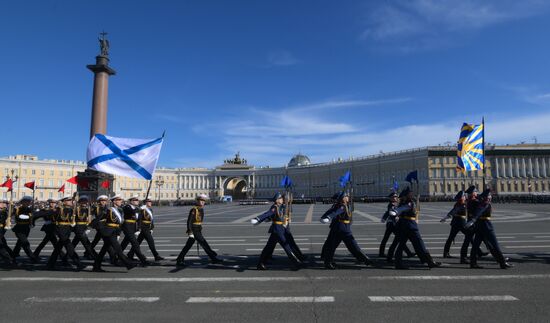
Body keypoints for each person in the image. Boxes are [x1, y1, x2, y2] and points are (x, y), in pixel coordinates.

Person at [320, 191, 372, 270]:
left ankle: (364, 259)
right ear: (342, 198)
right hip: (341, 229)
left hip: (343, 228)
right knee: (348, 245)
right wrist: (327, 217)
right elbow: (334, 212)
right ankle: (365, 259)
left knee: (344, 246)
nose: (348, 197)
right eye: (346, 196)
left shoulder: (346, 205)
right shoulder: (341, 206)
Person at [393, 187, 441, 270]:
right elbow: (403, 209)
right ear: (407, 195)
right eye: (410, 193)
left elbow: (407, 210)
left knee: (402, 245)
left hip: (405, 226)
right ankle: (430, 262)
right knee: (419, 243)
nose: (411, 194)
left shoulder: (406, 202)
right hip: (411, 226)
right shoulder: (409, 203)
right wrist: (396, 211)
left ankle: (398, 263)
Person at [252, 192, 302, 270]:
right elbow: (267, 214)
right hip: (278, 230)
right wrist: (258, 219)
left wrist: (288, 202)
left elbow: (286, 210)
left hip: (279, 230)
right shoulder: (275, 207)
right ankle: (295, 263)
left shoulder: (281, 206)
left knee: (268, 247)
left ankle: (261, 263)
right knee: (286, 246)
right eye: (281, 198)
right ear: (277, 200)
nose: (282, 199)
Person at [466, 189, 513, 269]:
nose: (491, 196)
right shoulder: (485, 203)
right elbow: (479, 211)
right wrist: (473, 220)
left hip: (479, 226)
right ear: (487, 197)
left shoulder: (481, 202)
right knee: (495, 244)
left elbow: (478, 210)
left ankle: (473, 263)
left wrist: (473, 220)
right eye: (490, 195)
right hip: (486, 226)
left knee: (476, 245)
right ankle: (502, 262)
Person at [92, 194, 135, 272]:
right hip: (108, 231)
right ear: (114, 201)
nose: (121, 201)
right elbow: (99, 218)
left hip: (114, 231)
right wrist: (93, 227)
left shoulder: (120, 210)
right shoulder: (108, 209)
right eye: (119, 200)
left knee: (103, 250)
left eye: (121, 200)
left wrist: (118, 233)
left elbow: (119, 223)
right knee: (118, 248)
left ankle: (96, 266)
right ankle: (128, 263)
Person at [176, 194, 221, 266]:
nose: (202, 202)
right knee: (204, 244)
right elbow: (189, 221)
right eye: (201, 201)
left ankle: (179, 259)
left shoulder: (201, 209)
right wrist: (190, 232)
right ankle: (213, 258)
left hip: (198, 230)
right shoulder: (194, 209)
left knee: (188, 246)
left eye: (203, 201)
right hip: (194, 230)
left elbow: (199, 222)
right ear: (197, 201)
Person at [46, 195, 84, 270]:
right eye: (69, 200)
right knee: (69, 246)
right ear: (64, 202)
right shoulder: (59, 209)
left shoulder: (71, 209)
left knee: (58, 247)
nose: (71, 201)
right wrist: (32, 216)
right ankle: (78, 263)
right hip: (61, 230)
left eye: (71, 200)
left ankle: (50, 263)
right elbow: (46, 213)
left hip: (67, 230)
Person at [380, 191, 414, 260]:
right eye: (393, 197)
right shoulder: (391, 205)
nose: (395, 198)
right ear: (390, 198)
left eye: (396, 197)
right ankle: (382, 253)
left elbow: (388, 212)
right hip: (391, 224)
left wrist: (384, 218)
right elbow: (391, 213)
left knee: (398, 239)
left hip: (393, 224)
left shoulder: (395, 204)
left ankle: (408, 253)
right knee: (391, 239)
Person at [440, 191, 470, 263]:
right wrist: (446, 217)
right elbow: (453, 211)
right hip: (461, 223)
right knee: (469, 236)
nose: (465, 197)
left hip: (456, 223)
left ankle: (446, 253)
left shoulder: (460, 203)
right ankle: (478, 252)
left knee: (451, 237)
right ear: (461, 198)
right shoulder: (461, 204)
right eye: (464, 196)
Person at [120, 196, 149, 266]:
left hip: (133, 227)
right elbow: (131, 212)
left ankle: (116, 256)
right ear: (131, 201)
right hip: (127, 226)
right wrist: (141, 209)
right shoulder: (127, 207)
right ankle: (143, 260)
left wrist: (138, 229)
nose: (137, 201)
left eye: (137, 200)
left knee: (124, 243)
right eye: (135, 200)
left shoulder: (136, 208)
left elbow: (139, 219)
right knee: (135, 243)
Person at [11, 196, 39, 263]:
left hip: (26, 228)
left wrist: (32, 223)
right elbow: (20, 216)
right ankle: (32, 257)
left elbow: (33, 217)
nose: (28, 203)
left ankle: (13, 256)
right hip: (19, 228)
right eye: (26, 201)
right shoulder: (18, 209)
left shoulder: (30, 209)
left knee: (19, 243)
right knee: (25, 243)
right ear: (22, 202)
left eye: (29, 202)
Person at [71, 196, 97, 261]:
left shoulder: (88, 209)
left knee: (74, 243)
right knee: (86, 243)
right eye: (83, 202)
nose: (84, 204)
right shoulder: (76, 209)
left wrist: (88, 228)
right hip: (78, 227)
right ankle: (94, 256)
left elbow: (90, 218)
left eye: (85, 202)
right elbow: (73, 218)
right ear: (80, 203)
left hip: (84, 227)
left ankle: (66, 256)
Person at [0, 199, 16, 266]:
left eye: (4, 203)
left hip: (1, 229)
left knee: (1, 245)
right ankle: (12, 256)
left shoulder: (4, 211)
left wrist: (12, 206)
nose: (3, 204)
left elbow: (12, 212)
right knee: (4, 244)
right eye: (2, 203)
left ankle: (8, 258)